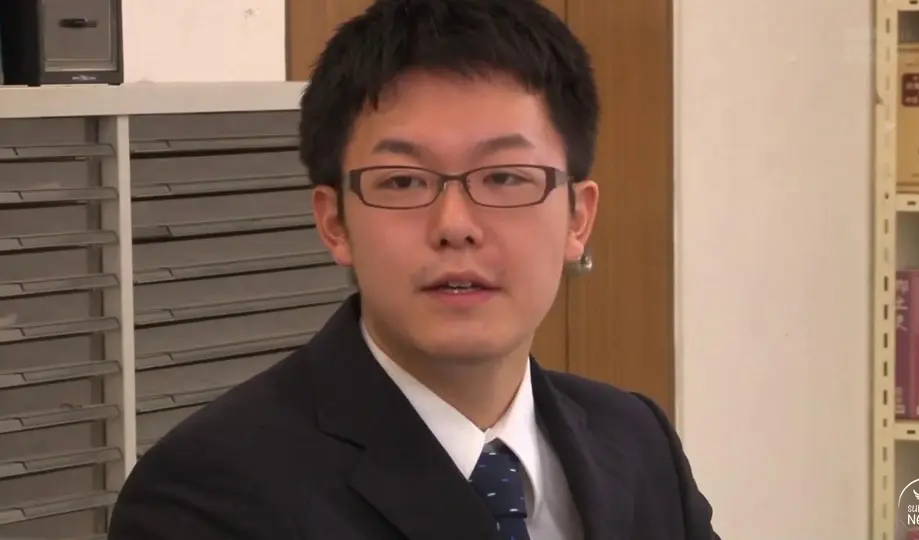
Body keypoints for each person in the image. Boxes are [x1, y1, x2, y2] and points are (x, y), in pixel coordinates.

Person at [106, 0, 720, 538]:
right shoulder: (206, 496)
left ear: (577, 218)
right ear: (335, 222)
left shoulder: (637, 440)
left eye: (505, 177)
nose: (455, 224)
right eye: (403, 181)